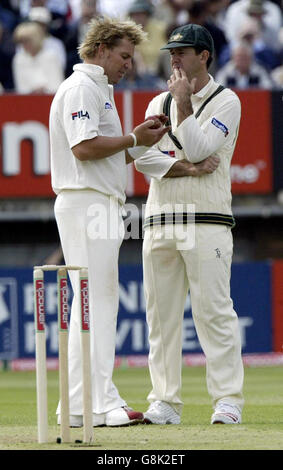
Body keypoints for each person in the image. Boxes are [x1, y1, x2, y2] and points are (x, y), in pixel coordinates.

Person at [49, 15, 170, 428]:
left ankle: (82, 406)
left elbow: (106, 152)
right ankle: (97, 403)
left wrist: (140, 142)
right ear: (100, 50)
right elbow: (84, 148)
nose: (128, 65)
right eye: (123, 56)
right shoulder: (83, 87)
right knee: (95, 306)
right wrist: (135, 138)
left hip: (95, 202)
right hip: (87, 204)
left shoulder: (97, 88)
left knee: (94, 307)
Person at [135, 23, 245, 425]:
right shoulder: (156, 103)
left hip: (208, 221)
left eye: (183, 52)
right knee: (160, 319)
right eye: (172, 52)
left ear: (205, 56)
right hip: (161, 219)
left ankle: (228, 400)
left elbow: (202, 146)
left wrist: (182, 107)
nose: (175, 59)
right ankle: (165, 401)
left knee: (213, 313)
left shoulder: (226, 100)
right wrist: (185, 167)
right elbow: (142, 158)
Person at [12, 21, 64, 94]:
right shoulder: (18, 59)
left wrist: (43, 89)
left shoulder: (51, 56)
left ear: (36, 39)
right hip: (27, 101)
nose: (24, 45)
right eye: (21, 41)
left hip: (49, 100)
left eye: (27, 41)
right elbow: (21, 88)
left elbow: (57, 85)